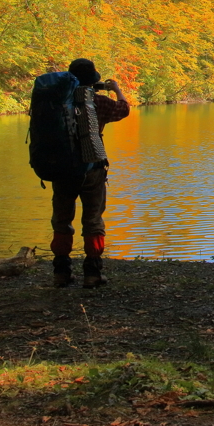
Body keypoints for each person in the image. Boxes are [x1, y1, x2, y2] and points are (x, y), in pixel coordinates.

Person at [50, 58, 130, 289]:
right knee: (93, 219)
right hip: (92, 169)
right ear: (94, 81)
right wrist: (116, 89)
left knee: (62, 219)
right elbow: (124, 110)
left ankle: (61, 273)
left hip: (62, 169)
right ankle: (92, 273)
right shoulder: (98, 102)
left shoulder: (56, 101)